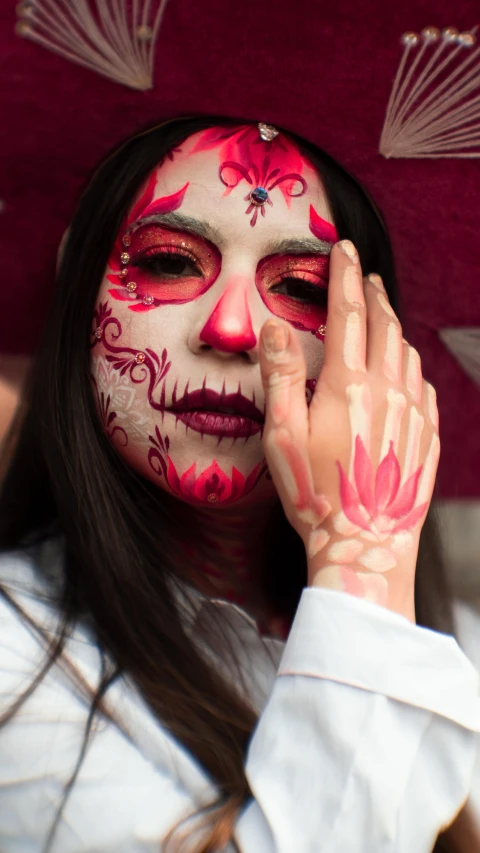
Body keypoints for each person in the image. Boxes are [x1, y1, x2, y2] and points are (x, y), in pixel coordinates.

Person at [0, 115, 479, 853]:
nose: (229, 327)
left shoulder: (464, 654)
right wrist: (361, 564)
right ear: (81, 306)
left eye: (297, 285)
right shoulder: (14, 654)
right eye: (169, 263)